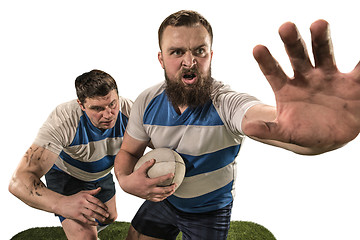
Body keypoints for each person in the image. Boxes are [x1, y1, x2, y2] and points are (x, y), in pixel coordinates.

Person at [114, 10, 360, 240]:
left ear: (211, 55)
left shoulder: (225, 103)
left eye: (199, 51)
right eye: (177, 52)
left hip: (209, 211)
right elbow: (128, 151)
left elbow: (270, 123)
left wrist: (312, 131)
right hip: (164, 200)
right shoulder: (146, 102)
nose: (189, 62)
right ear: (161, 58)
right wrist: (126, 180)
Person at [9, 69, 132, 240]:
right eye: (97, 108)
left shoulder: (130, 112)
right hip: (66, 174)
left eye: (112, 104)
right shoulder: (63, 121)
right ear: (81, 105)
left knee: (109, 216)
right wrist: (60, 204)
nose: (108, 114)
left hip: (100, 173)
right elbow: (18, 181)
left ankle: (82, 227)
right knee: (85, 237)